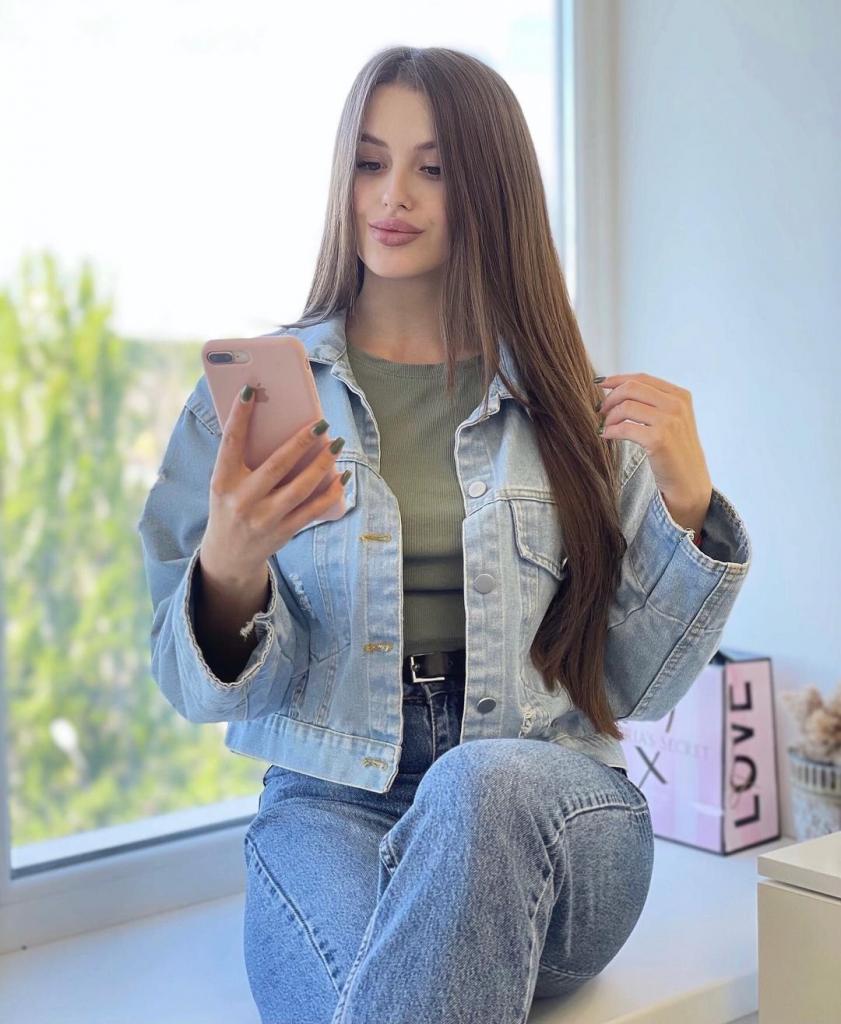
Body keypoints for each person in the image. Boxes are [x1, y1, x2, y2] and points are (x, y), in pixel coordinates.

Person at [137, 45, 752, 1024]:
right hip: (332, 801)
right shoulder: (255, 405)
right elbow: (191, 686)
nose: (394, 196)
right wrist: (231, 568)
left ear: (490, 190)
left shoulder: (568, 405)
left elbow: (637, 685)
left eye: (433, 168)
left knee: (478, 782)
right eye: (370, 162)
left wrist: (683, 504)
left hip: (547, 805)